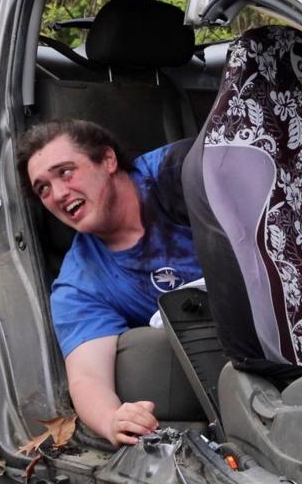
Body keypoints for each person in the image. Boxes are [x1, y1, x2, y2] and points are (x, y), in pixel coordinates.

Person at [18, 120, 202, 447]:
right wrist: (112, 419)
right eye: (42, 188)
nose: (58, 194)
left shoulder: (184, 170)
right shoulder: (79, 283)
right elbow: (87, 377)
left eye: (65, 171)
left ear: (108, 160)